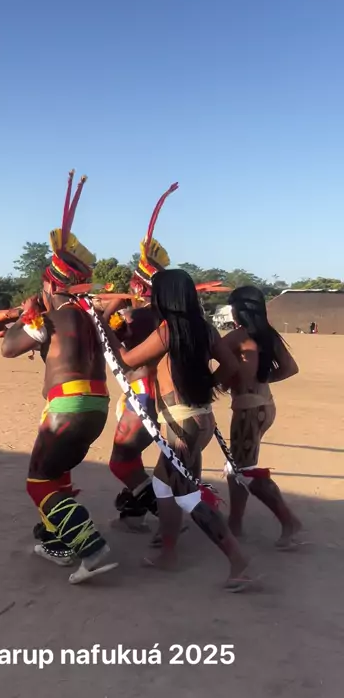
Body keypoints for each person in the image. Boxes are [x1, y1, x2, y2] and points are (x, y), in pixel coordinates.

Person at [0, 171, 117, 584]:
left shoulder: (49, 316)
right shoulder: (89, 316)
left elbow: (10, 349)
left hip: (67, 407)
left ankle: (91, 548)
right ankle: (56, 543)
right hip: (97, 406)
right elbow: (48, 345)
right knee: (58, 474)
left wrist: (24, 317)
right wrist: (19, 323)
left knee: (39, 483)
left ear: (48, 284)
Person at [103, 269, 254, 591]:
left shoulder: (167, 331)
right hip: (200, 418)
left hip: (181, 425)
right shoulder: (205, 329)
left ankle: (238, 562)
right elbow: (230, 366)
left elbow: (128, 360)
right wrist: (207, 386)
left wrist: (106, 329)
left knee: (186, 495)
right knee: (163, 486)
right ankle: (168, 553)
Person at [98, 183, 178, 535]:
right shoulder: (160, 316)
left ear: (136, 286)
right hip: (155, 394)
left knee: (120, 462)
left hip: (142, 394)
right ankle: (134, 515)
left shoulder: (134, 316)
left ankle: (165, 514)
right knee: (132, 458)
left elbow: (103, 331)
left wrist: (112, 306)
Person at [221, 286, 301, 548]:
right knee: (237, 467)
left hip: (248, 410)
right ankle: (235, 522)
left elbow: (212, 358)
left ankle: (289, 521)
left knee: (244, 470)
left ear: (240, 311)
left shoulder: (238, 336)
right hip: (264, 405)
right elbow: (289, 368)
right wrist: (262, 379)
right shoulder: (268, 335)